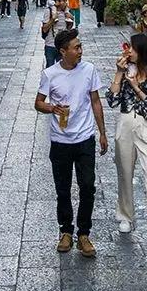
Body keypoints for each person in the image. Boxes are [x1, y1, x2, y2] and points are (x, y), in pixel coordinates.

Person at [35, 28, 108, 258]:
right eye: (76, 48)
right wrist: (52, 108)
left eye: (80, 46)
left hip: (84, 138)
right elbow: (38, 103)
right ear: (63, 51)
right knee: (63, 188)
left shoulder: (89, 70)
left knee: (87, 186)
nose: (80, 51)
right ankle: (66, 231)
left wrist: (102, 133)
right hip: (60, 141)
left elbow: (95, 101)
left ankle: (84, 234)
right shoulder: (50, 74)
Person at [107, 33, 147, 250]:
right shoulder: (125, 71)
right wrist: (119, 73)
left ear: (141, 50)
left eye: (132, 48)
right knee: (125, 173)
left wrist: (136, 87)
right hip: (125, 123)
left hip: (146, 126)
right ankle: (125, 216)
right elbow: (112, 100)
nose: (128, 51)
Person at [41, 0, 72, 67]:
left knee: (62, 68)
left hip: (62, 45)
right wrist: (53, 19)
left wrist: (71, 22)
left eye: (66, 1)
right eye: (63, 1)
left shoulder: (66, 12)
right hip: (50, 45)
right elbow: (44, 29)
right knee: (50, 67)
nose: (66, 3)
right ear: (57, 2)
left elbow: (68, 29)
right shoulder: (49, 11)